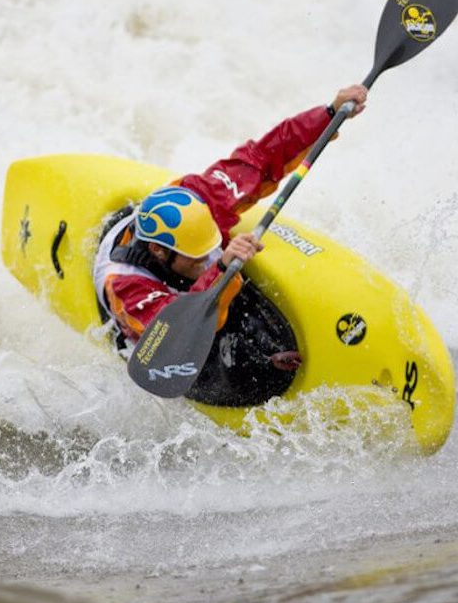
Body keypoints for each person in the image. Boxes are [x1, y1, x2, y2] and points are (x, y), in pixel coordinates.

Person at [93, 85, 368, 406]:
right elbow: (174, 337)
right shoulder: (125, 284)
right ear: (159, 251)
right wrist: (221, 268)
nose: (204, 259)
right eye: (196, 257)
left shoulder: (204, 197)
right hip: (157, 330)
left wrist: (329, 114)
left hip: (184, 276)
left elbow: (263, 156)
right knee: (236, 361)